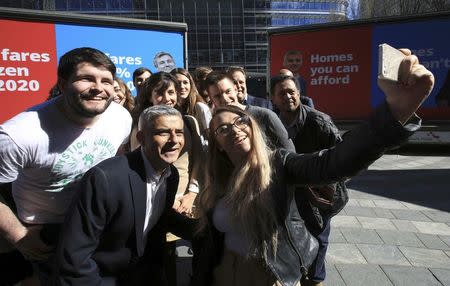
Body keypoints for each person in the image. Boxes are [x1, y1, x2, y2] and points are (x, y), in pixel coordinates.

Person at [192, 49, 434, 286]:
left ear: (252, 125)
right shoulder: (215, 178)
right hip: (225, 272)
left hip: (271, 273)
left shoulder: (279, 163)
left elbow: (335, 161)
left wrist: (394, 113)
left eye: (240, 121)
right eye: (222, 128)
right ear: (217, 143)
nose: (234, 129)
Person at [0, 47, 132, 284]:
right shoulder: (19, 134)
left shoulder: (121, 117)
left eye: (106, 81)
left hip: (97, 226)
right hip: (44, 234)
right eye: (86, 78)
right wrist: (18, 235)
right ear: (62, 84)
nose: (98, 88)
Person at [55, 105, 191, 285]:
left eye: (179, 133)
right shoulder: (105, 178)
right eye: (163, 132)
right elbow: (74, 256)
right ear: (141, 138)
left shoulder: (170, 174)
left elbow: (154, 219)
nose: (174, 140)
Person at [271, 74, 345, 286]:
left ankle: (314, 280)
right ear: (273, 98)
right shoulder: (271, 122)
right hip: (289, 194)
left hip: (319, 195)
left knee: (319, 239)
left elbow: (340, 159)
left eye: (291, 92)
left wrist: (326, 191)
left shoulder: (319, 122)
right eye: (281, 93)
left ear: (299, 94)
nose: (287, 97)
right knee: (292, 237)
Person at [132, 72, 203, 215]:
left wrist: (192, 194)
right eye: (159, 93)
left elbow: (199, 160)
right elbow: (139, 167)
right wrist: (170, 200)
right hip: (154, 202)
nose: (166, 98)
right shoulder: (140, 126)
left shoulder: (189, 122)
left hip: (188, 204)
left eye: (171, 92)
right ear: (150, 96)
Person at [204, 71, 295, 151]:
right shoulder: (215, 126)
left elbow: (290, 153)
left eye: (228, 91)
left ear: (236, 90)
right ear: (211, 100)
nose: (225, 99)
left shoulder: (265, 116)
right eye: (217, 96)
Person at [171, 68, 212, 140]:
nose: (182, 86)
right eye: (177, 83)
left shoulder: (200, 107)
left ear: (191, 84)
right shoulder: (171, 108)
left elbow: (211, 137)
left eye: (185, 82)